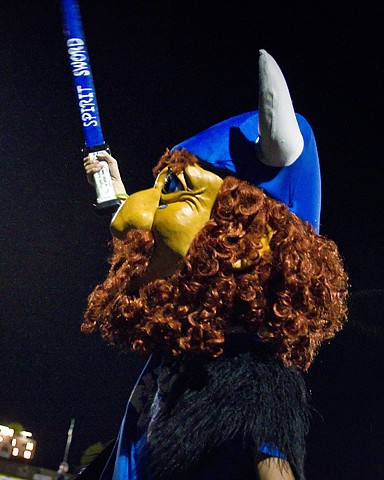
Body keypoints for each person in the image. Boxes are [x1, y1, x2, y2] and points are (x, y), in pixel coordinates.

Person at [79, 50, 348, 480]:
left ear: (246, 240)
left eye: (175, 191)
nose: (132, 215)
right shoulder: (189, 349)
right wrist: (116, 191)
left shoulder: (258, 382)